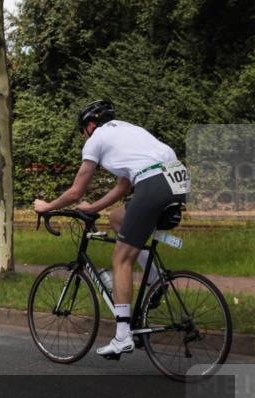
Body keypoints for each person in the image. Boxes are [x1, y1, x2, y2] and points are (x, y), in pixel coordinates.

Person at [33, 100, 189, 359]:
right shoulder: (129, 132)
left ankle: (122, 335)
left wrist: (46, 206)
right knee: (118, 219)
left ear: (90, 125)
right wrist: (93, 208)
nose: (84, 136)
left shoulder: (96, 139)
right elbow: (123, 188)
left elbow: (75, 192)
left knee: (121, 259)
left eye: (83, 131)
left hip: (152, 184)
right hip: (178, 180)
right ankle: (155, 281)